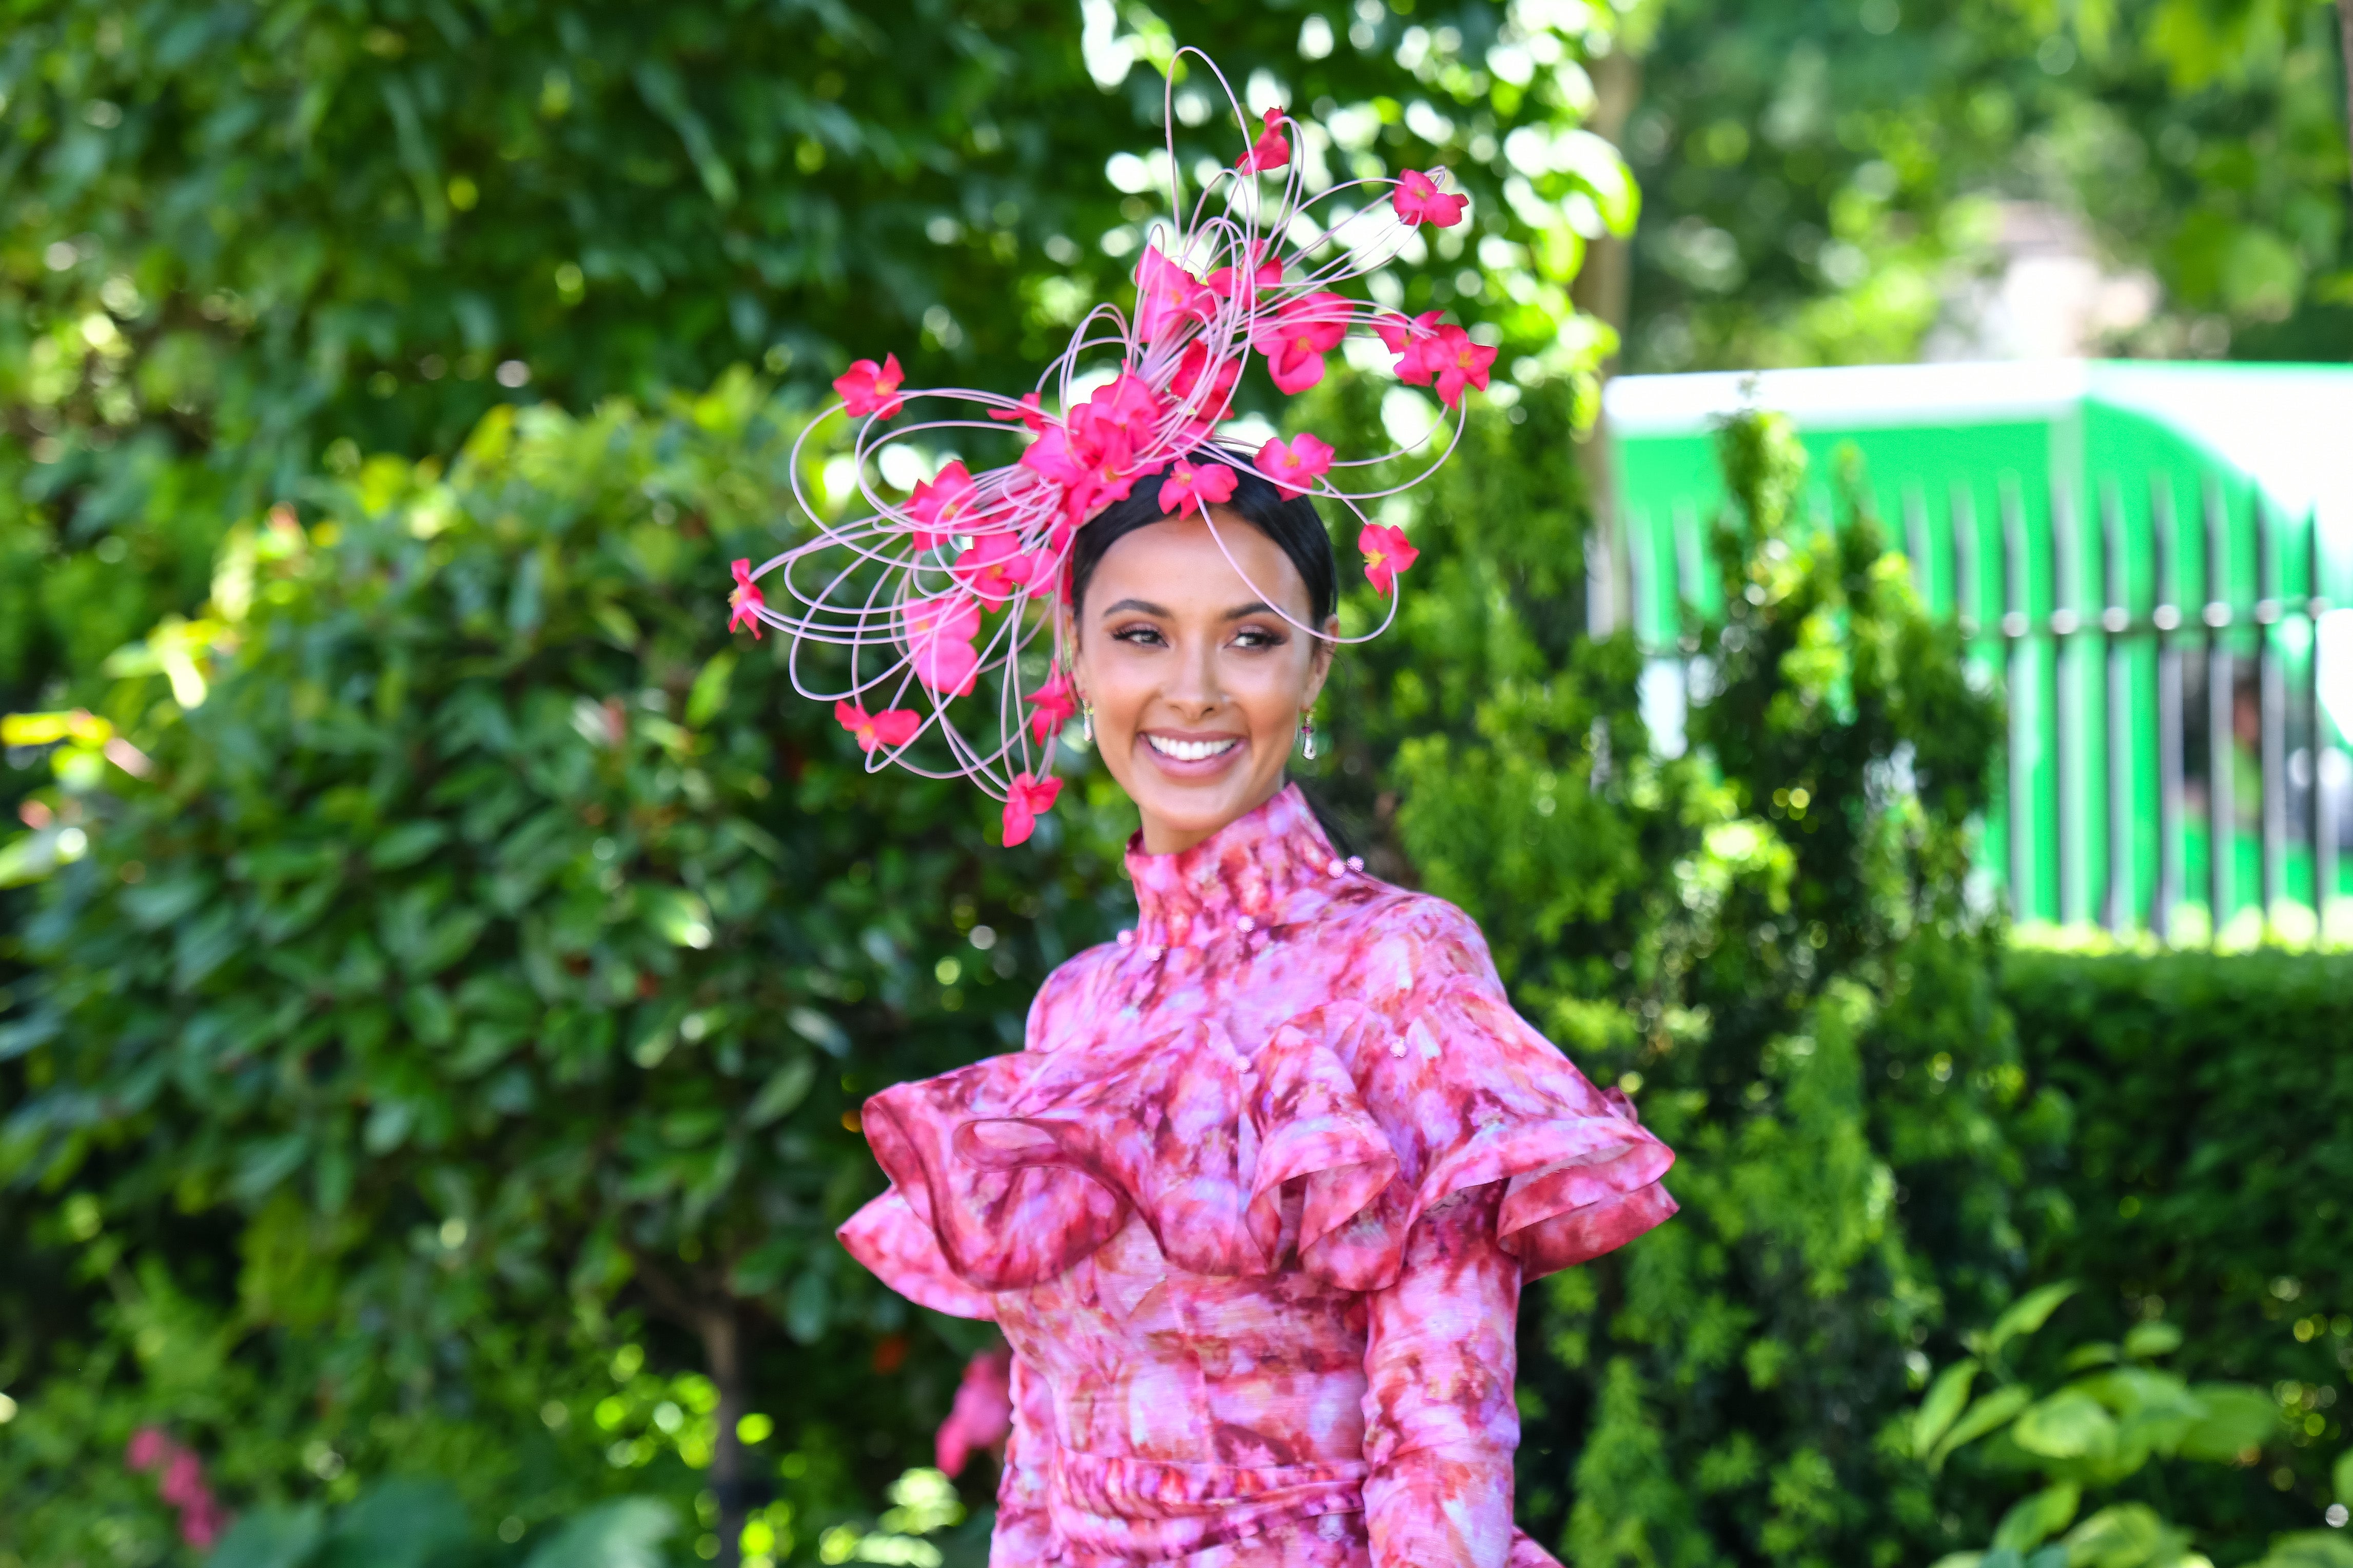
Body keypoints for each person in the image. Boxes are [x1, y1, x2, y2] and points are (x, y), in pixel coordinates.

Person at [729, 48, 1678, 1568]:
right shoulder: (1076, 1009)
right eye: (1138, 634)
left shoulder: (1400, 969)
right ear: (1071, 664)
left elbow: (1446, 1426)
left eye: (1246, 637)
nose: (1190, 691)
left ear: (1313, 668)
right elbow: (1042, 1447)